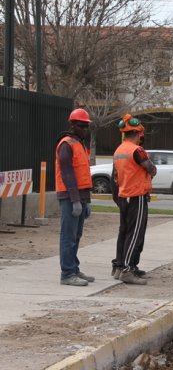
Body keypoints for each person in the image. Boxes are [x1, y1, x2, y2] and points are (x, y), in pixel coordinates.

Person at [111, 114, 156, 285]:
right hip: (137, 196)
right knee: (135, 234)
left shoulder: (118, 150)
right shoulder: (137, 151)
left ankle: (119, 265)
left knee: (124, 233)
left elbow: (115, 176)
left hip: (124, 195)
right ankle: (127, 270)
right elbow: (151, 169)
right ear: (138, 134)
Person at [55, 108, 95, 286]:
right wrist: (75, 200)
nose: (85, 129)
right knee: (68, 236)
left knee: (76, 236)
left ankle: (74, 268)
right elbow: (67, 174)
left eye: (86, 126)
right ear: (73, 125)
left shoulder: (80, 144)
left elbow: (83, 175)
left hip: (81, 196)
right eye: (81, 126)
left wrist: (86, 201)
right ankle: (67, 273)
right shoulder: (66, 144)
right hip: (70, 197)